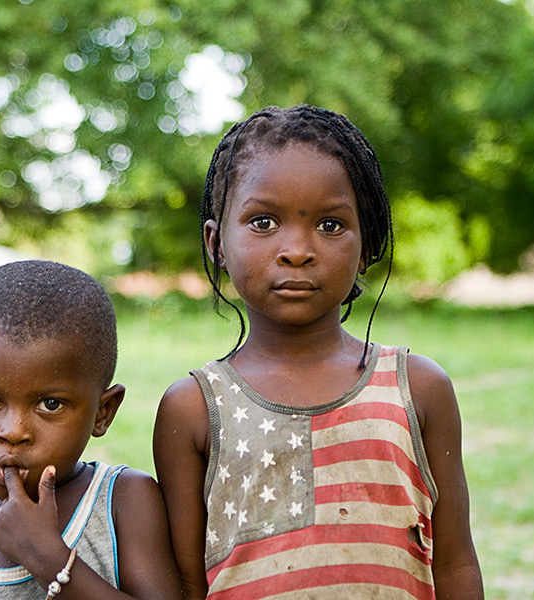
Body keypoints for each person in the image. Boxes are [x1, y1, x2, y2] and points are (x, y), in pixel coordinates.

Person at [153, 105, 483, 599]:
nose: (297, 249)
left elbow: (455, 564)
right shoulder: (194, 409)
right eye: (263, 221)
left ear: (367, 243)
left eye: (330, 225)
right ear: (216, 243)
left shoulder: (418, 388)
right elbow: (185, 585)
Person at [0, 260, 182, 600]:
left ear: (103, 412)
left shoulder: (124, 502)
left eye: (50, 405)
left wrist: (50, 560)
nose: (14, 431)